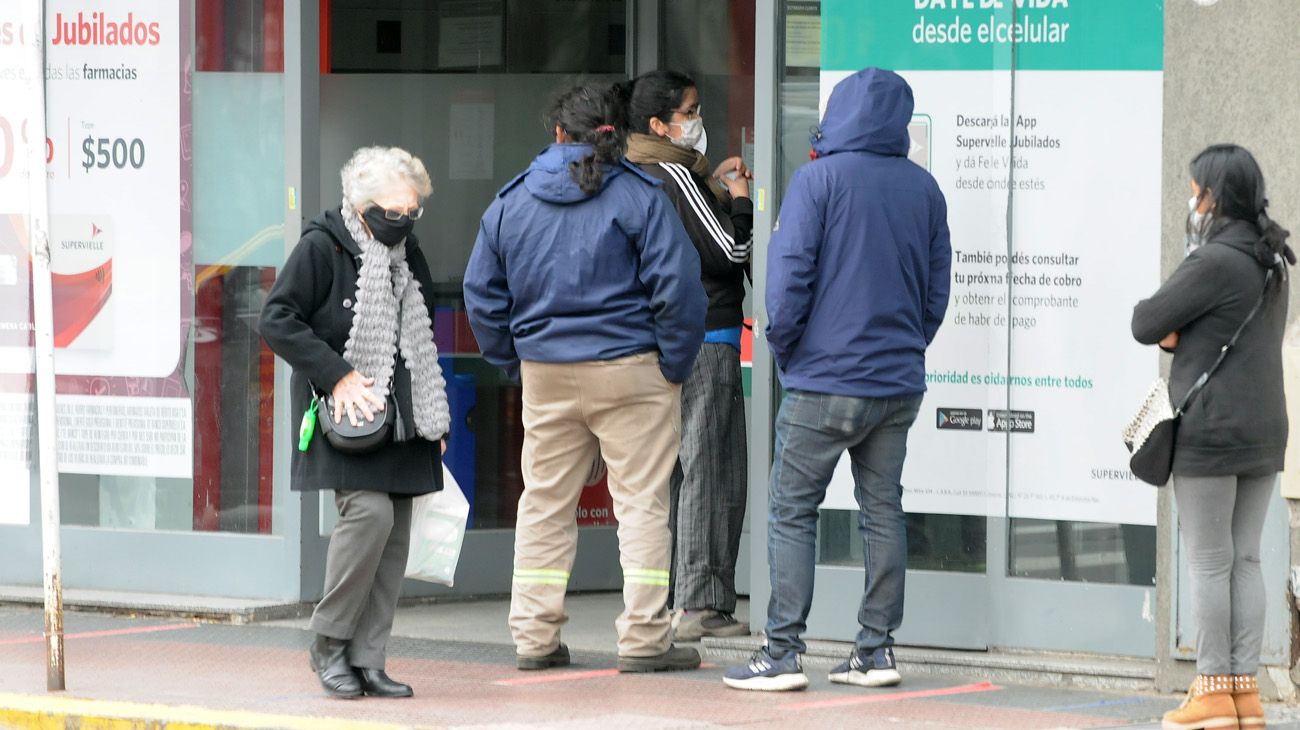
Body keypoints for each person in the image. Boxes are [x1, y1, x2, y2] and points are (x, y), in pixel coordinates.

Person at [463, 82, 708, 673]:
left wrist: (516, 363)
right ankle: (645, 639)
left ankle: (534, 637)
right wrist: (671, 366)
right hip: (631, 371)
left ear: (557, 134)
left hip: (546, 372)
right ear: (617, 134)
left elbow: (482, 297)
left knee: (544, 504)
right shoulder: (640, 197)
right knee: (643, 505)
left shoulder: (511, 202)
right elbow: (680, 292)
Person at [723, 67, 951, 692]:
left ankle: (781, 654)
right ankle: (875, 653)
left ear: (838, 113)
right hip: (896, 382)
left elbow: (787, 282)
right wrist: (905, 350)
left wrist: (788, 351)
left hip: (823, 379)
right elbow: (936, 296)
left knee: (793, 511)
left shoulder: (817, 180)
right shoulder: (924, 190)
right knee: (884, 511)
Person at [260, 146, 450, 699]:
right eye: (396, 213)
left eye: (413, 212)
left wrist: (431, 419)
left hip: (402, 419)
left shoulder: (406, 251)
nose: (406, 222)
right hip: (348, 412)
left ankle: (368, 658)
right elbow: (278, 318)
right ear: (363, 206)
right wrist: (337, 374)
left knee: (394, 539)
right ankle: (328, 640)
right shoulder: (322, 246)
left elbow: (420, 338)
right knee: (366, 516)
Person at [1132, 144, 1292, 730]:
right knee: (1245, 557)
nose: (1189, 199)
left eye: (1193, 189)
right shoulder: (1272, 258)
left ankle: (1210, 691)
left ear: (1213, 197)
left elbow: (1145, 321)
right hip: (1265, 427)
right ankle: (1243, 692)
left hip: (1211, 428)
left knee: (1207, 559)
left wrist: (1176, 334)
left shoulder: (1214, 259)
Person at [626, 70, 753, 642]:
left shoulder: (635, 172)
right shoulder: (675, 172)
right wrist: (743, 204)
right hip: (706, 337)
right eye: (690, 111)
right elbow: (730, 250)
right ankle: (701, 603)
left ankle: (673, 597)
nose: (698, 121)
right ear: (660, 124)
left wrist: (718, 190)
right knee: (712, 468)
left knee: (673, 471)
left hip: (657, 340)